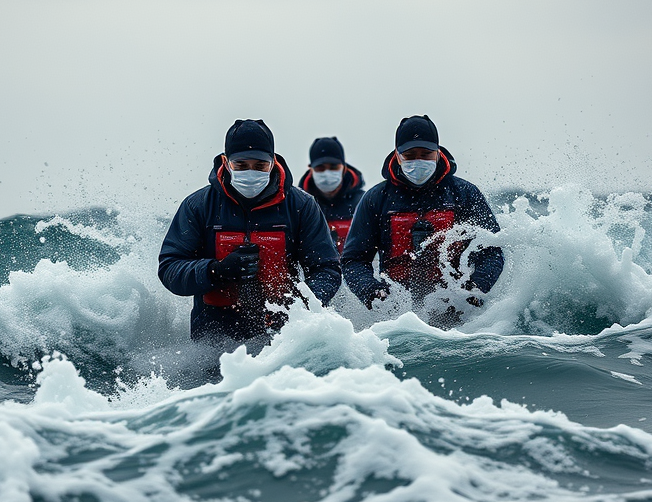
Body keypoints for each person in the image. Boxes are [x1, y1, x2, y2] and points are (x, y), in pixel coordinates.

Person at [159, 119, 342, 346]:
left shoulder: (301, 205)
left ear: (273, 162)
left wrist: (299, 309)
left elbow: (327, 269)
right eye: (241, 165)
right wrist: (216, 270)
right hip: (212, 340)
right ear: (226, 162)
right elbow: (169, 269)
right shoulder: (198, 205)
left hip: (284, 339)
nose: (251, 172)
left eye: (260, 165)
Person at [341, 115, 503, 322]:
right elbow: (353, 260)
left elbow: (492, 250)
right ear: (398, 156)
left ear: (438, 153)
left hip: (458, 312)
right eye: (410, 155)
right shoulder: (375, 199)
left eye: (426, 154)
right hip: (397, 318)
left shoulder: (465, 194)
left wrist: (477, 286)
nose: (419, 161)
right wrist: (370, 290)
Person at [297, 136, 366, 253]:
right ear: (311, 169)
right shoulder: (299, 206)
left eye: (333, 167)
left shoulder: (364, 203)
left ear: (344, 167)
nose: (327, 173)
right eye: (320, 168)